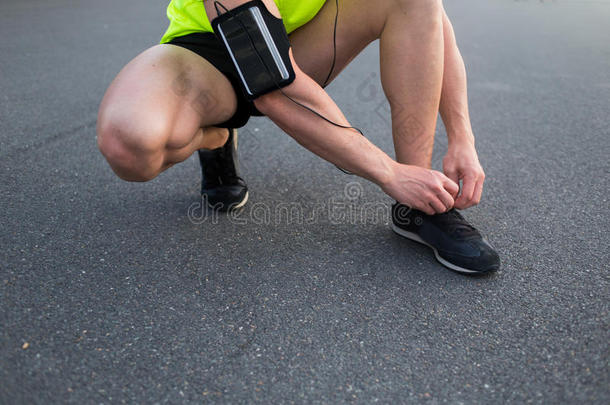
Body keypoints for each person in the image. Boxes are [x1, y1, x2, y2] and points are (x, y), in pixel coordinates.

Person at [96, 0, 500, 274]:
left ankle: (423, 208)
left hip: (302, 45)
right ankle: (216, 138)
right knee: (129, 144)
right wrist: (386, 172)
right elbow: (272, 87)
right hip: (205, 54)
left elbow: (433, 23)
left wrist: (463, 138)